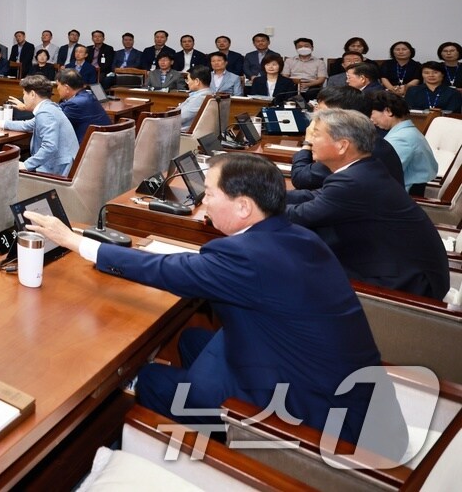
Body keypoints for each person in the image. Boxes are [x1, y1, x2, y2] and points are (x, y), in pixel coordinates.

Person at [23, 153, 405, 459]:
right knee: (190, 340)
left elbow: (164, 270)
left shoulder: (246, 258)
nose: (202, 202)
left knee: (153, 378)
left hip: (309, 415)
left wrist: (75, 242)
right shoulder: (295, 236)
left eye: (208, 193)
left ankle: (161, 450)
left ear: (242, 207)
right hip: (340, 386)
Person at [285, 108, 448, 300]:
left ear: (342, 146)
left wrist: (253, 205)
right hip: (393, 264)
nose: (310, 141)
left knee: (291, 267)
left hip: (406, 283)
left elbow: (300, 215)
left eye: (317, 135)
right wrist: (264, 194)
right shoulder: (362, 170)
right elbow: (313, 197)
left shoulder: (355, 180)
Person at [289, 85, 405, 191]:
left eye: (321, 111)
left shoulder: (353, 146)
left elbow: (301, 179)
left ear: (343, 115)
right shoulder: (370, 138)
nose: (316, 116)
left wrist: (308, 142)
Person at [2, 76, 78, 174]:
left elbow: (50, 146)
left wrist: (26, 165)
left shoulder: (45, 113)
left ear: (33, 94)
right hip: (61, 164)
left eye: (24, 94)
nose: (23, 98)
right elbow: (26, 125)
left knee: (7, 172)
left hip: (58, 169)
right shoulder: (49, 107)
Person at [367, 92, 438, 195]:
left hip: (406, 195)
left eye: (372, 114)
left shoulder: (400, 139)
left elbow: (383, 173)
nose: (371, 120)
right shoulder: (407, 132)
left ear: (388, 111)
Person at [54, 70, 109, 142]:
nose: (57, 88)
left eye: (58, 85)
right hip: (102, 144)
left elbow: (54, 123)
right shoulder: (88, 96)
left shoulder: (75, 104)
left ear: (66, 88)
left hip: (89, 148)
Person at [180, 66, 214, 131]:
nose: (187, 83)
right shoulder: (208, 93)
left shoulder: (200, 98)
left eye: (188, 80)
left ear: (197, 81)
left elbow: (180, 117)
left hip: (181, 134)